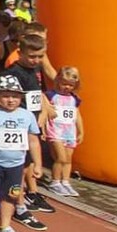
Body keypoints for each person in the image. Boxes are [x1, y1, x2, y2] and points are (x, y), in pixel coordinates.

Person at [0, 34, 56, 224]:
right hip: (17, 128)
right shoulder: (12, 73)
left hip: (32, 124)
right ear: (20, 53)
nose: (36, 60)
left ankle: (21, 200)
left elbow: (37, 94)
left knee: (25, 167)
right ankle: (18, 206)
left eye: (40, 56)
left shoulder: (35, 69)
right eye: (32, 56)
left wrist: (43, 113)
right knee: (17, 171)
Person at [0, 74, 43, 232]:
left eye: (15, 96)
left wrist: (38, 164)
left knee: (11, 195)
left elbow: (33, 141)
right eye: (6, 96)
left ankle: (4, 226)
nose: (10, 100)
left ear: (21, 97)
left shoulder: (27, 116)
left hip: (15, 166)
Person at [41, 67, 84, 197]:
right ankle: (55, 182)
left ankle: (65, 182)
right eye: (64, 84)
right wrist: (43, 129)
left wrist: (81, 131)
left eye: (71, 85)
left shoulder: (74, 98)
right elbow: (44, 112)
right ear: (58, 81)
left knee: (68, 159)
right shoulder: (50, 95)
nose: (67, 87)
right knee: (60, 158)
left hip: (69, 132)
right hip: (55, 131)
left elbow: (77, 115)